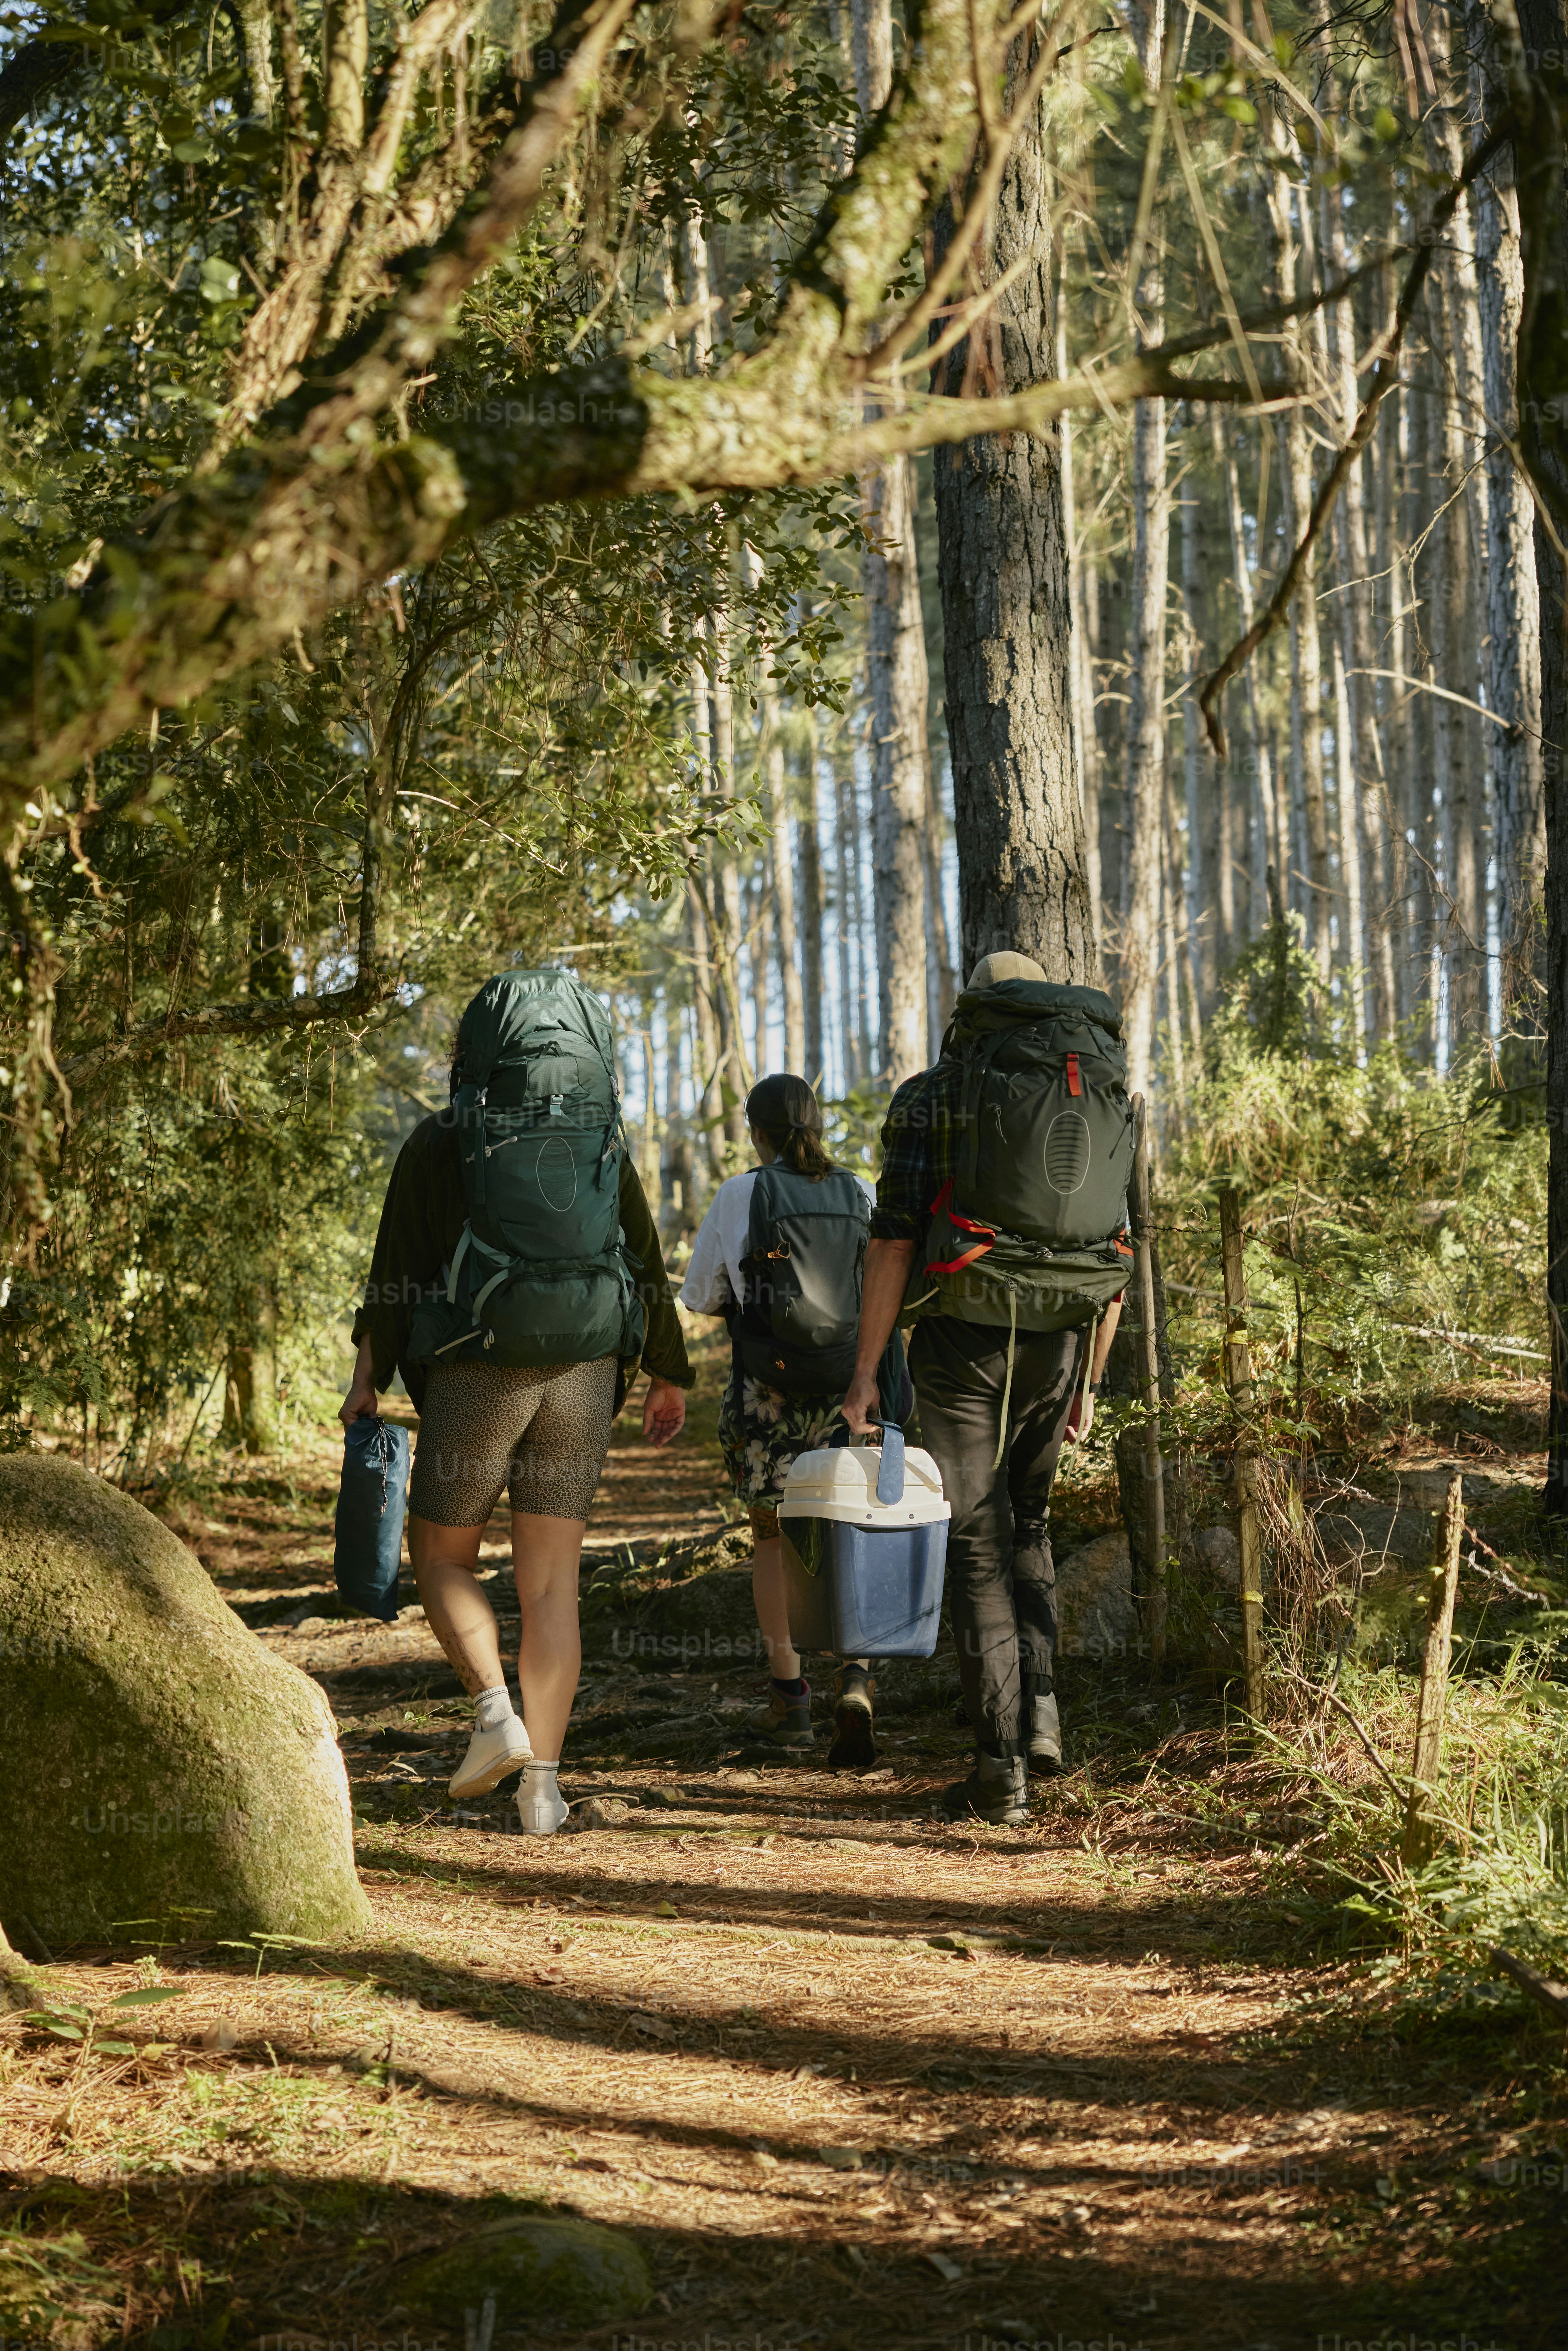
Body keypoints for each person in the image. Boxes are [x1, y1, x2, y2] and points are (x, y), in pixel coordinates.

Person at [341, 972, 691, 1837]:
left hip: (475, 1372)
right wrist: (666, 1368)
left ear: (473, 1053)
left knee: (443, 1559)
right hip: (585, 1372)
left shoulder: (442, 1138)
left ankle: (494, 1715)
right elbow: (640, 1253)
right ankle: (544, 1787)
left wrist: (367, 1378)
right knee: (551, 1588)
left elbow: (396, 1266)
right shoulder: (600, 1141)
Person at [841, 951, 1130, 1825]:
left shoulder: (933, 1093)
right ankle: (1041, 1716)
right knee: (1031, 1522)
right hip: (1060, 1338)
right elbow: (1120, 1244)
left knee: (973, 1537)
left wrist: (864, 1375)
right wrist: (1090, 1375)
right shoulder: (1102, 1084)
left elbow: (893, 1238)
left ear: (972, 1008)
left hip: (965, 1336)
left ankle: (997, 1766)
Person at [680, 1072, 899, 1768]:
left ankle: (792, 1695)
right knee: (851, 1532)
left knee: (772, 1540)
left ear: (758, 1131)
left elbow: (701, 1294)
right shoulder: (860, 1190)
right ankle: (857, 1676)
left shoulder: (741, 1193)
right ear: (817, 1124)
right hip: (850, 1388)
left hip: (766, 1393)